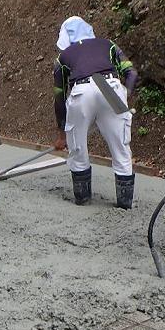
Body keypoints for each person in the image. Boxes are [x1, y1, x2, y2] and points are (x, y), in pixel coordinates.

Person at [52, 16, 138, 208]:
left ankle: (83, 199)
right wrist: (126, 93)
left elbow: (59, 96)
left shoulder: (62, 58)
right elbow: (131, 72)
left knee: (78, 146)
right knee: (121, 148)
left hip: (82, 89)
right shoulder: (108, 44)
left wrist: (62, 135)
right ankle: (125, 203)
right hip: (109, 85)